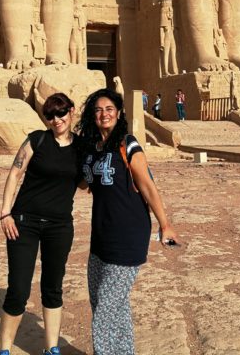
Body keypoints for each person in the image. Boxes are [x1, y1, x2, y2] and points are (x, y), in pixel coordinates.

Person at [76, 88, 180, 354]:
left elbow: (147, 186)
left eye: (109, 109)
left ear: (119, 113)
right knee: (109, 303)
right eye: (98, 110)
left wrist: (165, 224)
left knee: (105, 310)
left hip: (128, 234)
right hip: (101, 235)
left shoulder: (128, 143)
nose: (104, 114)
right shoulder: (90, 148)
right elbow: (83, 183)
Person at [0, 93, 81, 355]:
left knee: (53, 288)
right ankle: (5, 350)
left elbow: (84, 182)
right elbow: (15, 173)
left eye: (61, 113)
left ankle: (52, 348)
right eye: (50, 115)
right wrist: (5, 213)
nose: (56, 119)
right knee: (18, 289)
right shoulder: (37, 139)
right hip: (24, 223)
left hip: (59, 226)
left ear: (71, 111)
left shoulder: (81, 148)